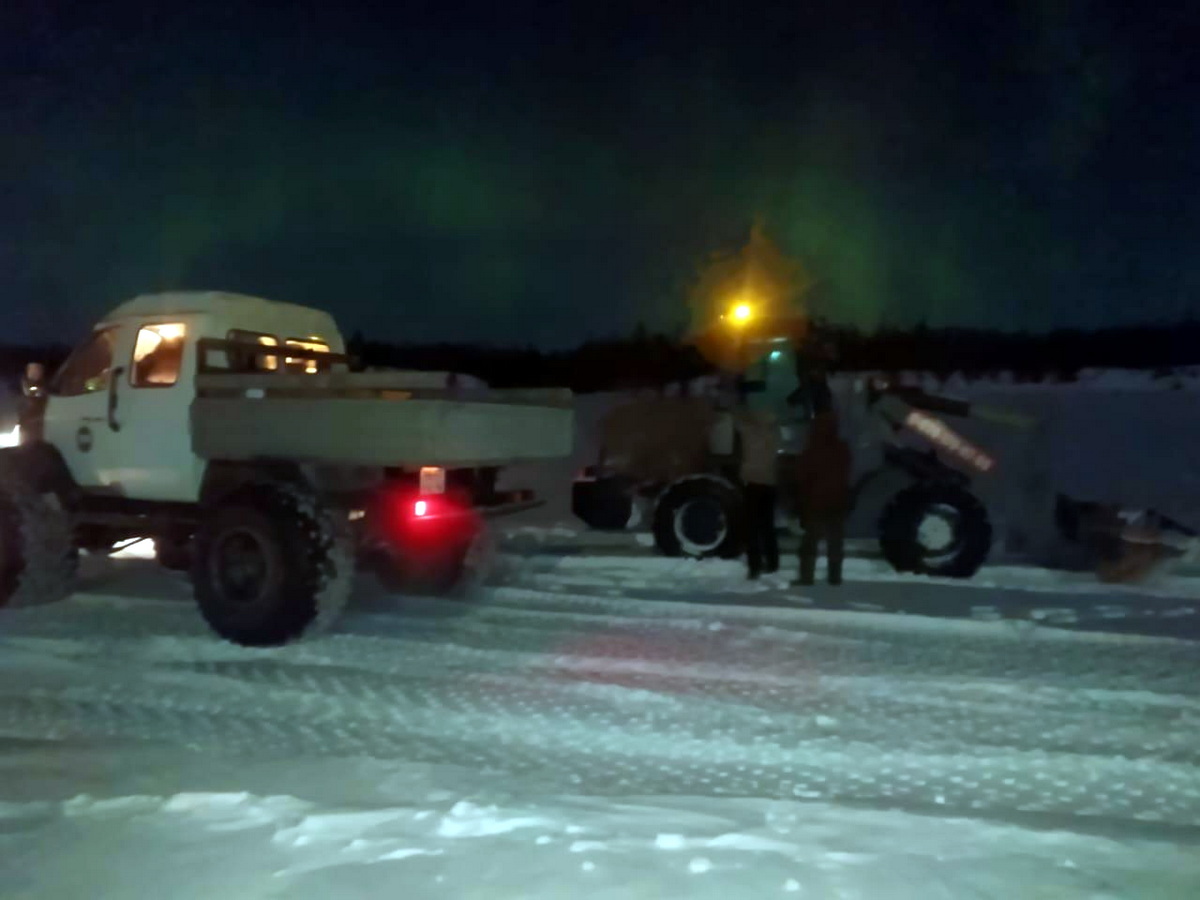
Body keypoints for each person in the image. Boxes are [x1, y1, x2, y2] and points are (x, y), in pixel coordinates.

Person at [795, 410, 852, 586]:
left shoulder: (812, 450)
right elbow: (846, 474)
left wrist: (801, 501)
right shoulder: (842, 449)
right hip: (837, 501)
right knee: (835, 544)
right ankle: (835, 577)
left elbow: (803, 477)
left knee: (810, 543)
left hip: (816, 502)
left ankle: (806, 577)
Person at [735, 408, 781, 580]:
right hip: (770, 482)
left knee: (752, 528)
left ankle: (755, 566)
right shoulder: (773, 433)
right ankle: (773, 562)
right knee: (768, 526)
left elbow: (737, 418)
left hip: (752, 483)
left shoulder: (749, 431)